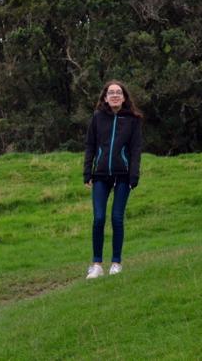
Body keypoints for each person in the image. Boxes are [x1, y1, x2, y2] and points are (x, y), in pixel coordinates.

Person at [83, 80, 143, 279]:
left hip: (123, 176)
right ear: (105, 98)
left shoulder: (133, 120)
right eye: (111, 93)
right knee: (99, 218)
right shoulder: (98, 118)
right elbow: (90, 146)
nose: (115, 95)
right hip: (100, 175)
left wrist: (134, 175)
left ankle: (116, 263)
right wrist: (87, 173)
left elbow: (135, 150)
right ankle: (97, 264)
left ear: (124, 97)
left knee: (117, 218)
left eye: (118, 92)